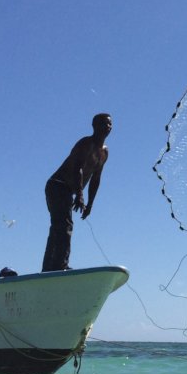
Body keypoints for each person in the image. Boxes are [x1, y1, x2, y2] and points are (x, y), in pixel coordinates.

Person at [42, 113, 112, 272]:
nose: (107, 127)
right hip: (57, 186)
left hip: (69, 191)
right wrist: (80, 195)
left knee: (58, 228)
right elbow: (77, 169)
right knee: (63, 225)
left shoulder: (104, 152)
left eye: (110, 124)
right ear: (94, 126)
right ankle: (60, 266)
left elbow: (96, 179)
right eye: (104, 124)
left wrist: (90, 204)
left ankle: (49, 269)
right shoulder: (86, 143)